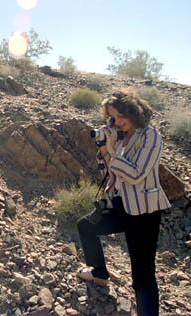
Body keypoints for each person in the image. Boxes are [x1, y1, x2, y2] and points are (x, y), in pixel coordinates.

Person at [76, 89, 170, 316]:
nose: (117, 122)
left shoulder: (151, 136)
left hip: (143, 212)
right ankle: (99, 273)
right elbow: (113, 173)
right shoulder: (121, 138)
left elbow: (136, 175)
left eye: (121, 117)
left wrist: (111, 150)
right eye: (112, 118)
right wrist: (106, 151)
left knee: (142, 273)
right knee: (86, 226)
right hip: (121, 206)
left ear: (134, 112)